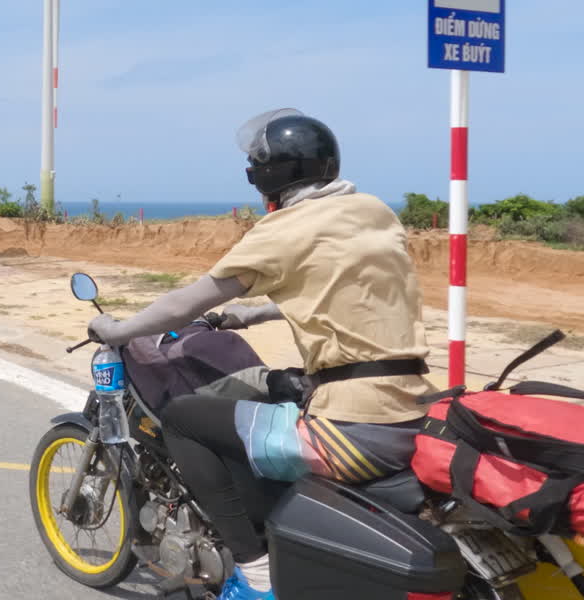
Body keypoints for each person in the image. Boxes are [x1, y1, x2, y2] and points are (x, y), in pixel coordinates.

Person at [88, 109, 437, 600]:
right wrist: (249, 316)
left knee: (187, 419)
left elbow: (185, 303)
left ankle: (253, 571)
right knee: (269, 387)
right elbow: (337, 283)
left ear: (267, 175)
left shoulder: (282, 230)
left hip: (353, 431)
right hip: (416, 409)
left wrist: (117, 327)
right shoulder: (374, 212)